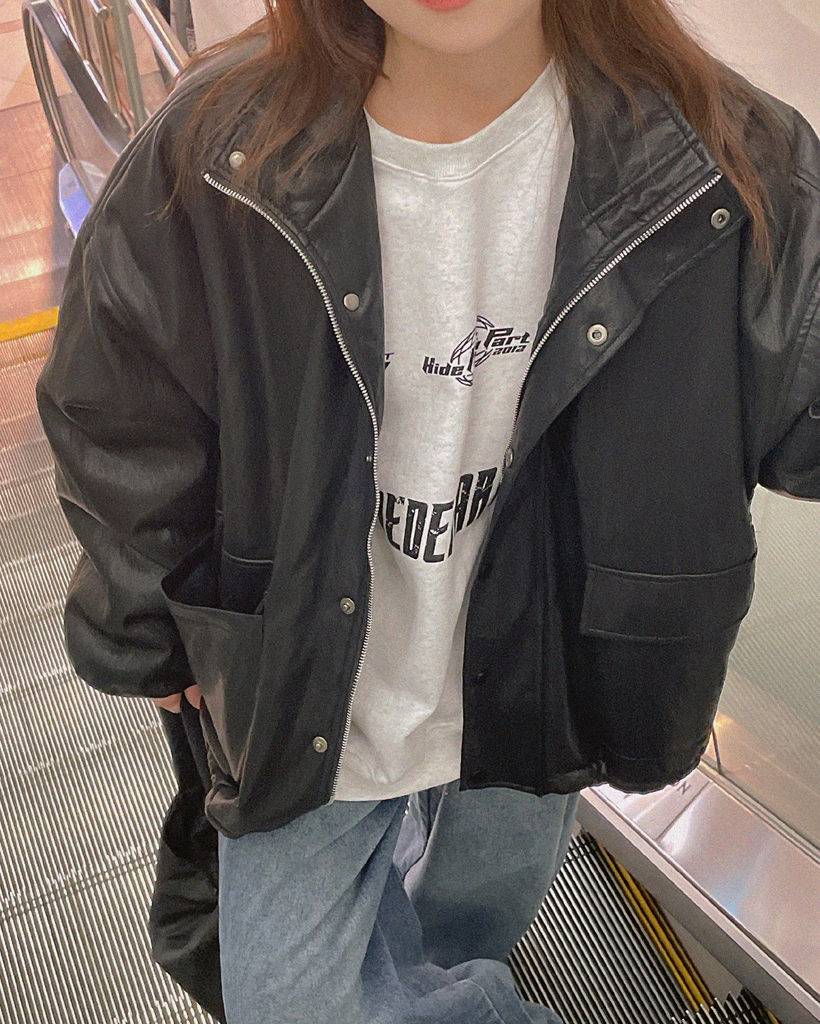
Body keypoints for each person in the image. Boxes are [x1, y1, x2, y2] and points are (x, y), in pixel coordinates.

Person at [36, 0, 820, 1022]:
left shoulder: (727, 160)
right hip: (309, 683)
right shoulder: (216, 153)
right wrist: (144, 625)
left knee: (476, 917)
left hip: (546, 669)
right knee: (287, 999)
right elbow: (124, 410)